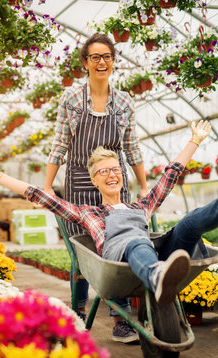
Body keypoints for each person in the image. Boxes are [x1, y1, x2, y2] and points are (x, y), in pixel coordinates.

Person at [0, 121, 218, 309]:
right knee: (135, 242)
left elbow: (170, 175)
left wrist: (194, 140)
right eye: (103, 172)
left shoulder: (141, 205)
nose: (111, 174)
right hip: (120, 257)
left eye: (115, 169)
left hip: (155, 252)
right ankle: (157, 276)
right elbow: (39, 194)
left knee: (189, 224)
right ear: (95, 180)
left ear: (121, 175)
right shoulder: (87, 212)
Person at [44, 33, 149, 342]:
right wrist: (48, 186)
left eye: (107, 56)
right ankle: (77, 314)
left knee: (118, 249)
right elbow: (60, 145)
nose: (101, 62)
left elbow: (132, 148)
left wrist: (143, 186)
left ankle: (121, 320)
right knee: (81, 254)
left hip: (115, 182)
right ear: (85, 63)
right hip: (78, 182)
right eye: (95, 57)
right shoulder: (72, 99)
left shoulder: (126, 101)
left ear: (113, 62)